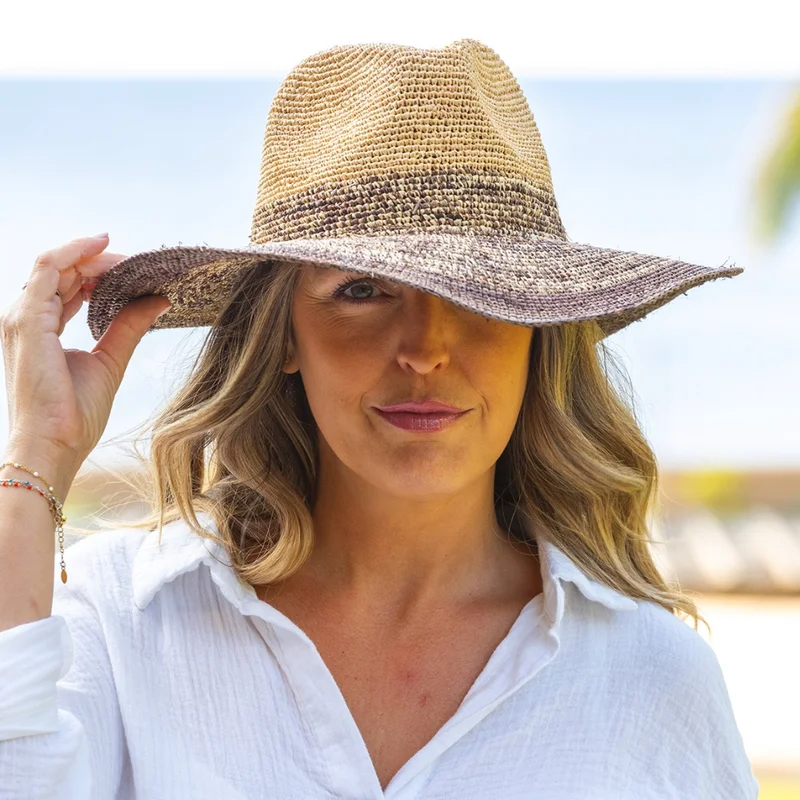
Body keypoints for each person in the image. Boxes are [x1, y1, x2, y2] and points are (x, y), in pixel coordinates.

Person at [0, 39, 758, 799]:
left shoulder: (653, 681)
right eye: (362, 291)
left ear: (538, 334)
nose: (425, 351)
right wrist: (38, 452)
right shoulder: (123, 622)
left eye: (482, 294)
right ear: (284, 334)